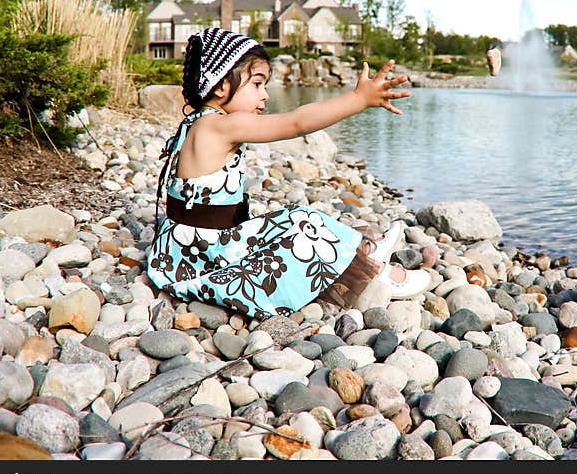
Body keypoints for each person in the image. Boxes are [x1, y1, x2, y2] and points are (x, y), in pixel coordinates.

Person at [147, 27, 431, 319]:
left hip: (187, 246)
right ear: (220, 86)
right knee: (304, 225)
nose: (265, 95)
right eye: (257, 84)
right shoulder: (222, 125)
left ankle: (361, 254)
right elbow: (296, 123)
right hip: (207, 255)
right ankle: (373, 271)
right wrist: (358, 99)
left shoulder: (198, 122)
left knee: (291, 219)